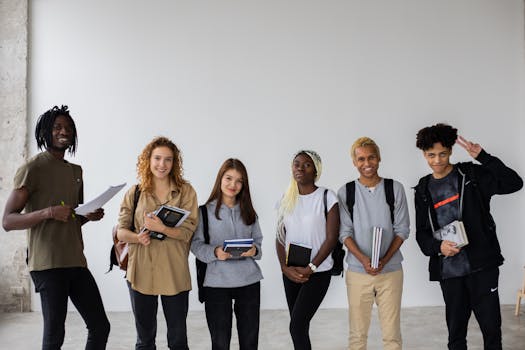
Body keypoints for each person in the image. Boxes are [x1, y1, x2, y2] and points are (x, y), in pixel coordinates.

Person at [2, 105, 110, 350]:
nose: (64, 132)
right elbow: (8, 220)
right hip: (47, 263)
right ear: (45, 132)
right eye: (58, 127)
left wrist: (87, 216)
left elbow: (71, 218)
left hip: (75, 260)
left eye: (69, 128)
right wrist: (48, 212)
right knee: (54, 335)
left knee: (100, 326)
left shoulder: (76, 171)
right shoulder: (33, 168)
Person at [414, 123, 523, 350]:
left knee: (491, 331)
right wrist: (438, 247)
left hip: (482, 267)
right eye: (431, 155)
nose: (437, 160)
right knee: (455, 336)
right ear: (424, 154)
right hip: (449, 272)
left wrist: (484, 157)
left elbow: (515, 183)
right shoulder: (423, 189)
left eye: (442, 154)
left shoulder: (471, 175)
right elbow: (422, 235)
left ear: (451, 151)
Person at [117, 136, 198, 350]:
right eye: (157, 158)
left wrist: (162, 229)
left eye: (168, 160)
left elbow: (189, 231)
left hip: (174, 271)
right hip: (141, 271)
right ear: (148, 160)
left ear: (174, 163)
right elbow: (121, 231)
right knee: (144, 340)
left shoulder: (186, 191)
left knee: (178, 339)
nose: (162, 165)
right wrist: (137, 237)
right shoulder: (134, 193)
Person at [338, 137, 410, 350]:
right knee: (357, 335)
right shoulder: (346, 192)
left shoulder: (394, 188)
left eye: (371, 157)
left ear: (379, 158)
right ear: (354, 162)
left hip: (390, 272)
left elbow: (402, 229)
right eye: (361, 159)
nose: (366, 163)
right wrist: (365, 260)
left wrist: (384, 260)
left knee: (392, 335)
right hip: (358, 273)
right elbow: (344, 233)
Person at [191, 158, 263, 350]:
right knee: (220, 343)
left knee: (249, 342)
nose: (233, 185)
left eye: (239, 181)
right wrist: (215, 252)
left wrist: (254, 250)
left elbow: (258, 242)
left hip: (249, 282)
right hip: (216, 283)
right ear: (220, 179)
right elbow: (196, 246)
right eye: (229, 178)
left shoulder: (250, 212)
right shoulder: (203, 212)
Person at [275, 150, 339, 350]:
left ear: (316, 170)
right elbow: (279, 237)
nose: (300, 168)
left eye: (307, 165)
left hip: (317, 272)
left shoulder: (327, 196)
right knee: (299, 326)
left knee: (297, 325)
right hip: (292, 271)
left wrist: (312, 266)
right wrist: (285, 268)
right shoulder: (286, 199)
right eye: (296, 164)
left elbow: (331, 238)